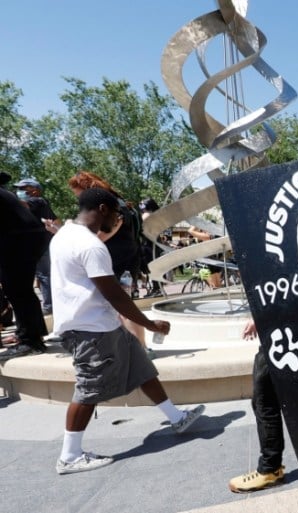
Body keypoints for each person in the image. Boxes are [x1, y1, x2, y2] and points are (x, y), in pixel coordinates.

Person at [49, 187, 204, 474]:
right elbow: (115, 296)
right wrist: (150, 324)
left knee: (141, 366)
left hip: (100, 324)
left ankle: (176, 417)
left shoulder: (65, 235)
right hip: (92, 329)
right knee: (88, 390)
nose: (119, 220)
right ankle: (69, 456)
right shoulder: (91, 246)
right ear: (104, 209)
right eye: (117, 214)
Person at [67, 171, 150, 353]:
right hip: (127, 259)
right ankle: (139, 348)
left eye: (78, 193)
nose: (79, 199)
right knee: (124, 306)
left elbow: (102, 236)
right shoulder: (120, 202)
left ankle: (140, 349)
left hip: (119, 262)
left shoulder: (112, 207)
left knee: (124, 307)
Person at [228, 320, 286, 493]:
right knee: (264, 400)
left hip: (281, 335)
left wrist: (260, 316)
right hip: (282, 333)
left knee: (265, 401)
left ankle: (270, 469)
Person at [0, 186, 49, 360]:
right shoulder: (5, 193)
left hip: (18, 240)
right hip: (28, 237)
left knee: (17, 289)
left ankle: (31, 341)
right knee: (22, 289)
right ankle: (31, 333)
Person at [14, 177, 61, 314]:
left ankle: (49, 307)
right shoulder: (43, 203)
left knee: (44, 276)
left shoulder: (37, 201)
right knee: (42, 277)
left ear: (35, 191)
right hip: (40, 244)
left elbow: (22, 204)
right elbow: (55, 219)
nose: (19, 191)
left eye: (23, 189)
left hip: (40, 245)